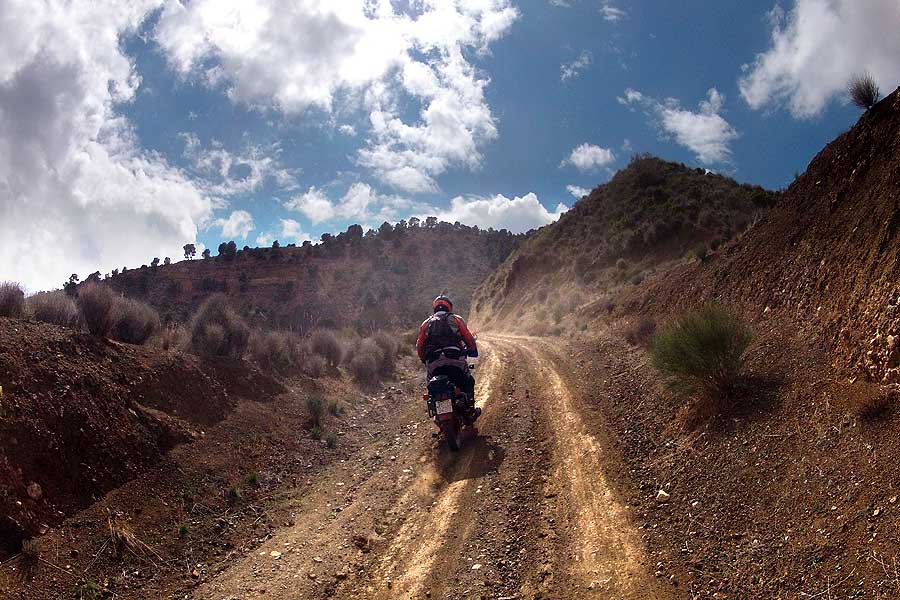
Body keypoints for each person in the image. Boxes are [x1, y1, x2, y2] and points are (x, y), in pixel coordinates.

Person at [416, 294, 480, 422]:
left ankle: (437, 413)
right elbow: (468, 338)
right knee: (468, 381)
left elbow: (419, 345)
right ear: (449, 307)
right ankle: (469, 409)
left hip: (433, 362)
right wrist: (472, 351)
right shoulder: (456, 319)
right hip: (455, 359)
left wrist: (424, 359)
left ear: (434, 308)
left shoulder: (426, 324)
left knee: (432, 386)